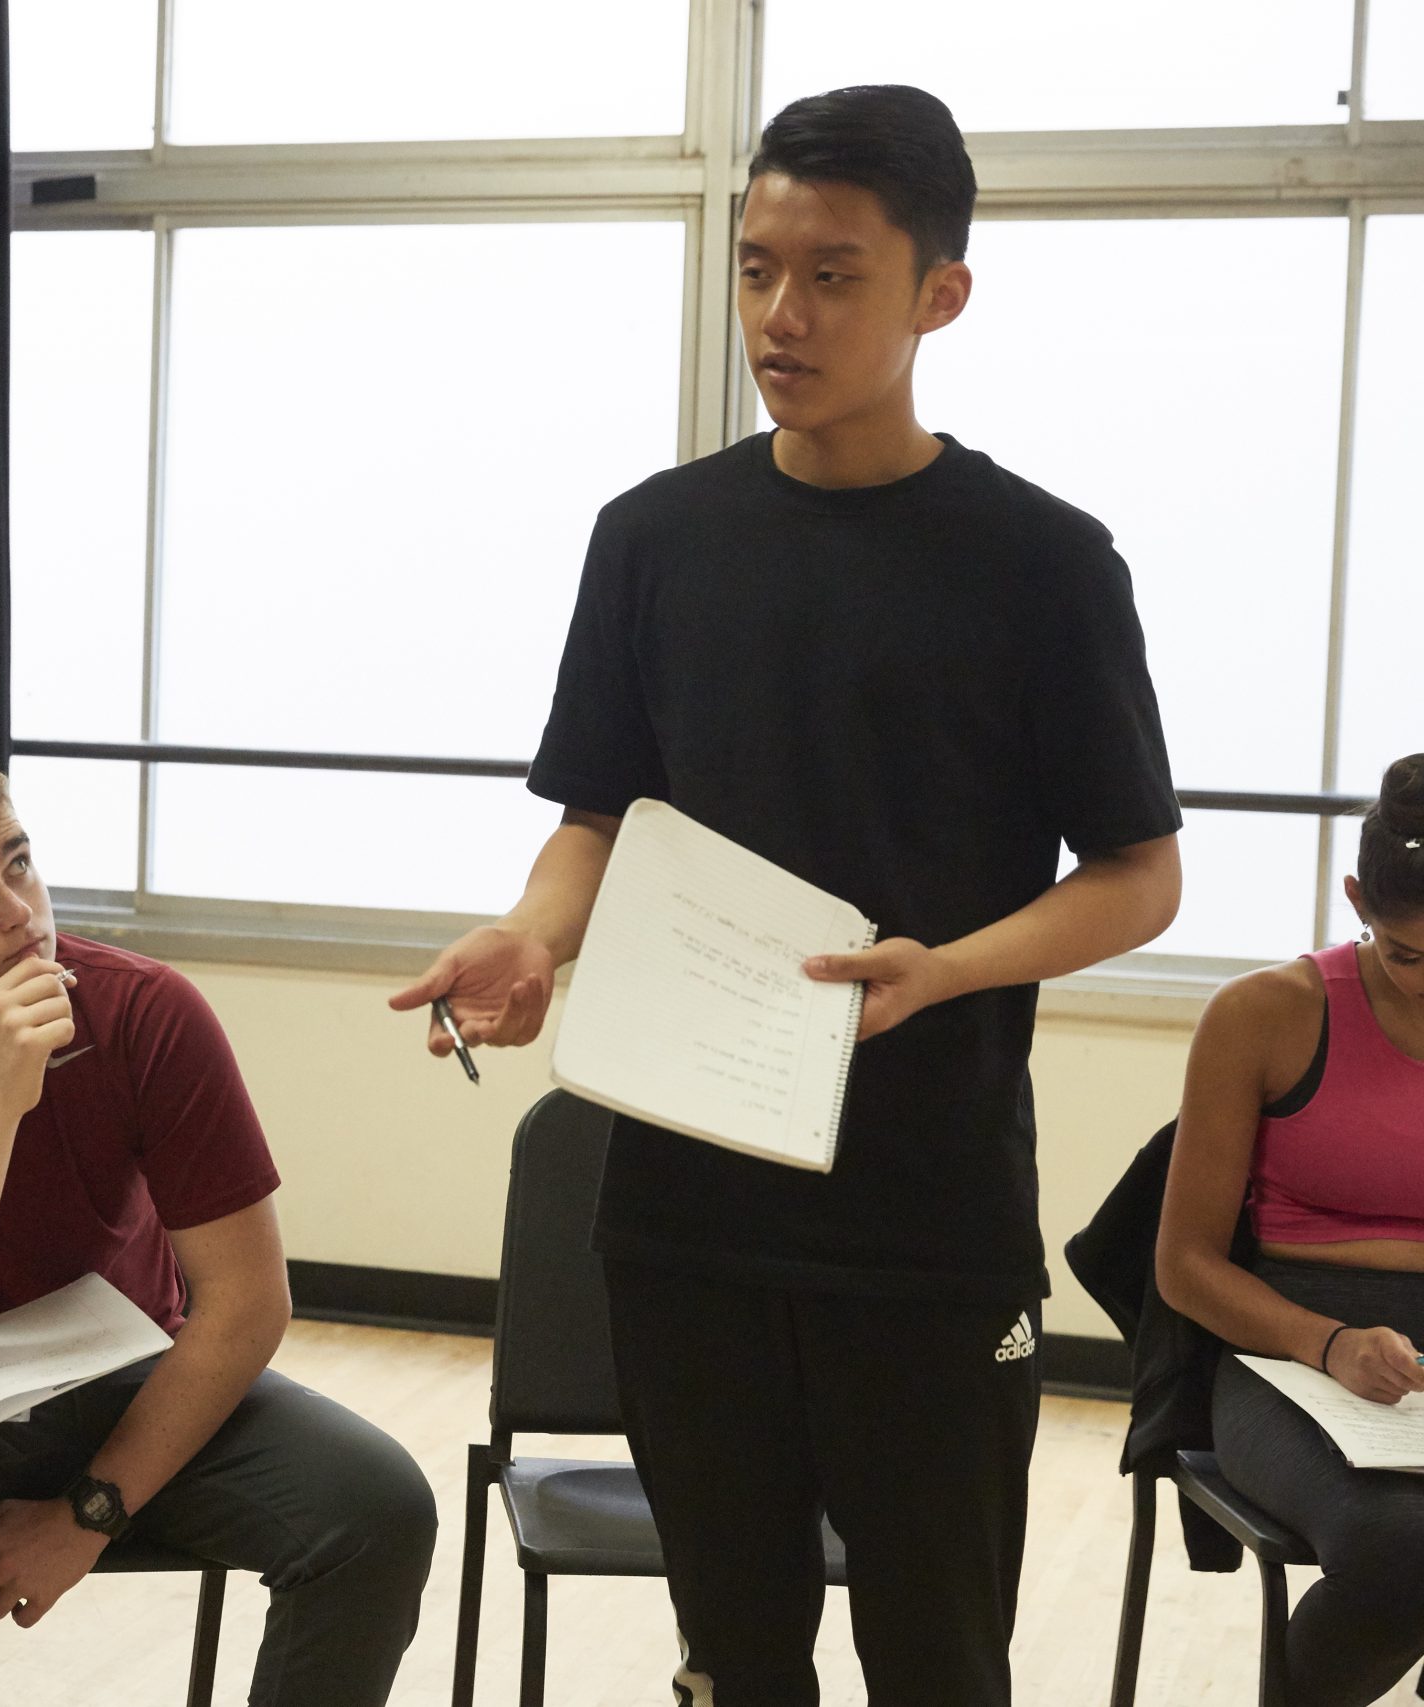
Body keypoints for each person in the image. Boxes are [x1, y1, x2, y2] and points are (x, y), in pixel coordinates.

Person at [392, 84, 1184, 1705]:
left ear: (938, 294)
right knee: (737, 1656)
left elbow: (1139, 875)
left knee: (937, 1661)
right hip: (685, 1210)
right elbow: (600, 817)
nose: (780, 313)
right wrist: (537, 936)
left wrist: (947, 970)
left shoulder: (1046, 564)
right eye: (756, 268)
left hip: (928, 1215)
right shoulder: (656, 541)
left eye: (832, 273)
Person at [0, 747, 436, 1707]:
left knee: (378, 1505)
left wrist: (88, 1514)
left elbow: (246, 1302)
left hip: (125, 1372)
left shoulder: (148, 1011)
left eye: (19, 863)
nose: (19, 914)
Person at [1158, 756, 1424, 1706]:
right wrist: (1333, 1344)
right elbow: (1184, 1264)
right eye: (1407, 953)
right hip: (1291, 1351)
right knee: (1405, 1548)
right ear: (1356, 898)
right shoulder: (1266, 1014)